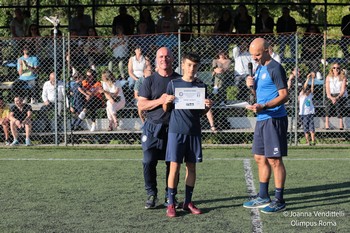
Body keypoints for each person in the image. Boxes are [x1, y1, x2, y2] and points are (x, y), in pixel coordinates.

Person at [163, 52, 213, 217]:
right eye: (189, 65)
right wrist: (166, 102)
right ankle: (171, 203)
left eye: (195, 66)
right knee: (174, 167)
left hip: (193, 132)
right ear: (183, 65)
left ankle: (188, 202)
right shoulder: (173, 84)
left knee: (191, 167)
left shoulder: (201, 86)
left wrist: (207, 106)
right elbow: (166, 109)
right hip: (176, 131)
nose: (192, 68)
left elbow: (201, 111)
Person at [244, 38, 288, 213]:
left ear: (268, 50)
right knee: (259, 158)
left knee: (275, 160)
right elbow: (260, 94)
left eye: (257, 54)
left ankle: (279, 200)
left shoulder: (275, 68)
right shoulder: (260, 67)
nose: (254, 57)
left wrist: (266, 106)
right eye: (252, 55)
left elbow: (284, 95)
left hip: (274, 118)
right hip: (262, 118)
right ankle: (263, 196)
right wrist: (251, 88)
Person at [137, 47, 182, 209]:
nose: (164, 59)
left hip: (174, 129)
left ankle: (170, 196)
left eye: (167, 56)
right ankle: (151, 194)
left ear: (172, 58)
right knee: (148, 161)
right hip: (152, 128)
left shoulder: (180, 80)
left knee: (173, 164)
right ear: (157, 59)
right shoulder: (149, 80)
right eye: (161, 56)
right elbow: (141, 104)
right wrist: (160, 101)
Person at [325, 63, 348, 130]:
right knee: (328, 105)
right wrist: (331, 98)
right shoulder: (328, 77)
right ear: (332, 69)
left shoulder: (343, 77)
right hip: (330, 95)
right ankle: (327, 124)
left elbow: (343, 90)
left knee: (338, 103)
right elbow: (327, 90)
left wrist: (337, 97)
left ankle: (341, 124)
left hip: (340, 95)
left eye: (338, 68)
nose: (336, 69)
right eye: (334, 68)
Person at [299, 72, 316, 146]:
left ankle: (313, 140)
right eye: (306, 90)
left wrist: (312, 79)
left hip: (310, 113)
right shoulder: (302, 95)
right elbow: (304, 87)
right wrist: (308, 78)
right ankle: (307, 141)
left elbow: (312, 88)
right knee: (306, 127)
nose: (307, 91)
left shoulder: (310, 95)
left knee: (311, 127)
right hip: (303, 114)